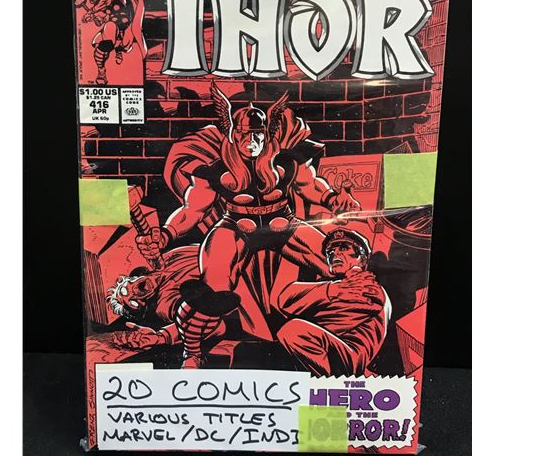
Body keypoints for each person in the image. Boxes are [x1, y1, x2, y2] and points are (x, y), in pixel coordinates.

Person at [135, 82, 361, 368]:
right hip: (236, 228)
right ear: (233, 132)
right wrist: (166, 234)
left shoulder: (285, 161)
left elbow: (310, 185)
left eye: (258, 134)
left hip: (284, 224)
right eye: (245, 134)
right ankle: (192, 354)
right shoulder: (217, 169)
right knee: (213, 291)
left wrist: (332, 199)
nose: (252, 141)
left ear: (267, 132)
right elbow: (193, 209)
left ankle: (344, 342)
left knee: (339, 267)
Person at [275, 228, 391, 376]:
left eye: (343, 248)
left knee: (293, 330)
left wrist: (311, 304)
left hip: (345, 361)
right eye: (330, 252)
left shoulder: (368, 288)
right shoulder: (336, 286)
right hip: (327, 352)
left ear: (362, 258)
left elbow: (326, 323)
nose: (335, 254)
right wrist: (333, 290)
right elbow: (285, 299)